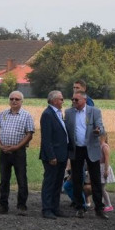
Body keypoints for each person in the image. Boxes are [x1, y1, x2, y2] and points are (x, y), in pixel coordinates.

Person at [66, 92, 108, 219]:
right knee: (77, 179)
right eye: (72, 99)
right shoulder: (69, 112)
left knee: (95, 179)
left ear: (84, 100)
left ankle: (99, 208)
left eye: (76, 100)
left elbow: (101, 127)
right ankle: (80, 207)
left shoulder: (94, 111)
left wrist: (98, 130)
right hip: (76, 149)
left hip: (91, 148)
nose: (74, 101)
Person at [0, 91, 34, 215]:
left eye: (17, 99)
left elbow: (29, 135)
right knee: (4, 180)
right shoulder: (2, 114)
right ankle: (3, 205)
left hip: (19, 153)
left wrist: (16, 147)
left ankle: (22, 206)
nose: (14, 101)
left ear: (22, 101)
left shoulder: (26, 116)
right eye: (11, 99)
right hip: (4, 152)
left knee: (21, 179)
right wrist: (1, 146)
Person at [39, 90, 70, 219]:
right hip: (53, 156)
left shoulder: (58, 113)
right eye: (61, 99)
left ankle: (55, 207)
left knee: (58, 183)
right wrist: (51, 156)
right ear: (54, 100)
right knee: (50, 182)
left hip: (61, 154)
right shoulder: (47, 114)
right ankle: (47, 209)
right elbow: (46, 138)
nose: (63, 101)